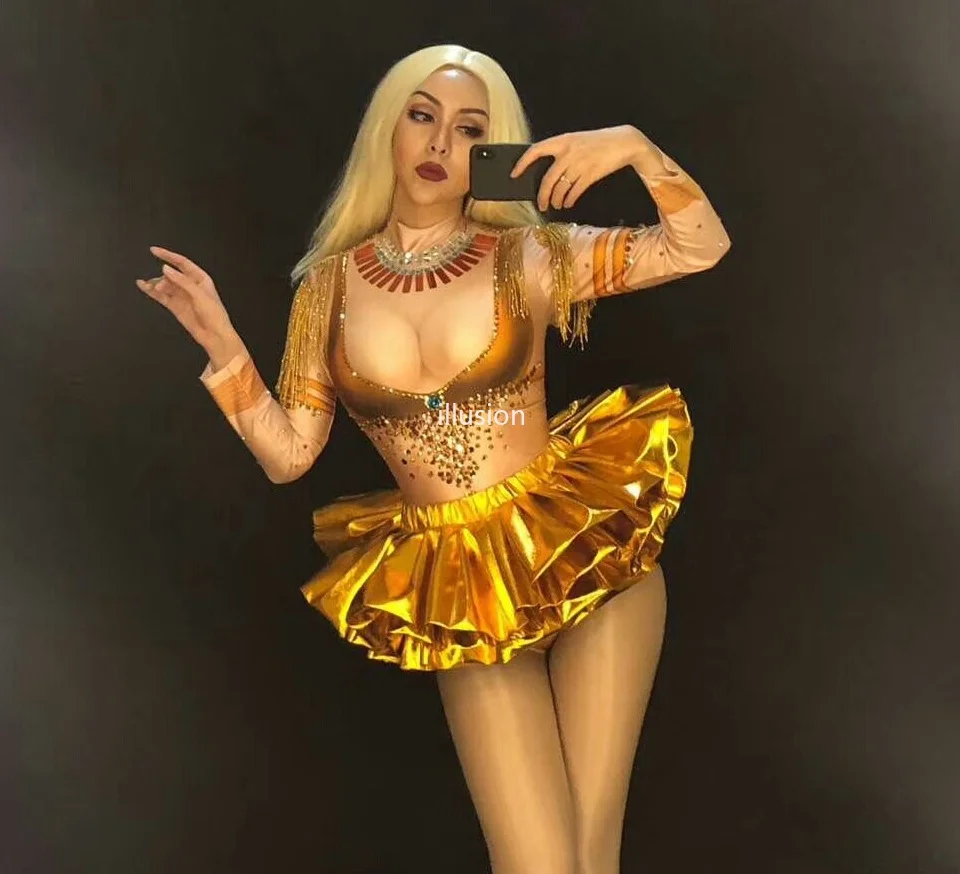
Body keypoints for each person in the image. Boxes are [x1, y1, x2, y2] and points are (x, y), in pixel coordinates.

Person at [137, 43, 730, 874]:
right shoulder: (327, 290)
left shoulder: (531, 257)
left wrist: (636, 149)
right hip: (466, 591)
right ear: (388, 127)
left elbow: (698, 246)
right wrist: (226, 351)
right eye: (422, 115)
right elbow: (290, 456)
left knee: (591, 861)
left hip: (589, 553)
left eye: (470, 128)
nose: (440, 143)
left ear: (495, 147)